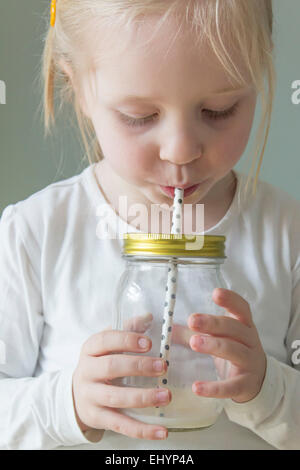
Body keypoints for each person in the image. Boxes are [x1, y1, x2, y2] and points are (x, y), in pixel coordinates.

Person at [0, 0, 299, 450]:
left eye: (219, 109)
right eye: (139, 117)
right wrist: (66, 404)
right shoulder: (35, 234)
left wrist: (267, 390)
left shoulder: (287, 234)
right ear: (77, 87)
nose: (181, 150)